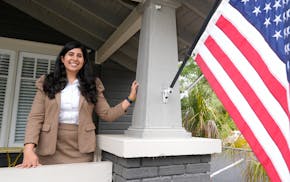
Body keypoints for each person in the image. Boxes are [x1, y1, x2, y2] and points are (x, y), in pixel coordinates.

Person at [16, 41, 138, 168]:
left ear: (84, 61)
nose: (75, 58)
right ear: (63, 59)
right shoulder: (47, 82)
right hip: (49, 147)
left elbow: (107, 114)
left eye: (79, 56)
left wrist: (129, 99)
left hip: (81, 149)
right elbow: (35, 118)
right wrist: (29, 149)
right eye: (71, 54)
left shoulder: (92, 84)